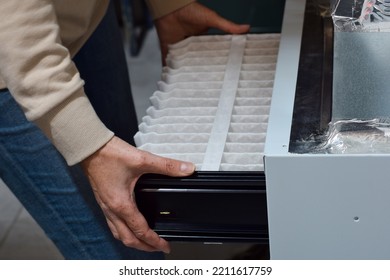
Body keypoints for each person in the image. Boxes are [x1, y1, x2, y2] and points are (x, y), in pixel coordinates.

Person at [0, 0, 250, 259]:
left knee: (140, 206)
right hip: (12, 52)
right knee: (126, 247)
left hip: (88, 17)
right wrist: (89, 145)